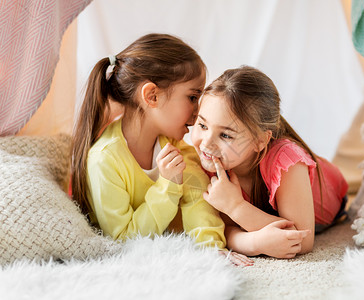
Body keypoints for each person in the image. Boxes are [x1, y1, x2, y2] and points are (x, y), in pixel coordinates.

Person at [71, 33, 240, 260]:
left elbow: (198, 199)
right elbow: (123, 240)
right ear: (152, 96)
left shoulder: (175, 146)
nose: (198, 111)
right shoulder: (105, 160)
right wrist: (168, 186)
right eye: (192, 97)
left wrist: (212, 250)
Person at [191, 66, 349, 259]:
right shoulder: (210, 163)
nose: (206, 143)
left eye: (225, 135)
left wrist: (235, 207)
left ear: (260, 141)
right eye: (202, 125)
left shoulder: (287, 161)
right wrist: (254, 243)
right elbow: (224, 227)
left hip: (332, 201)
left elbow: (301, 239)